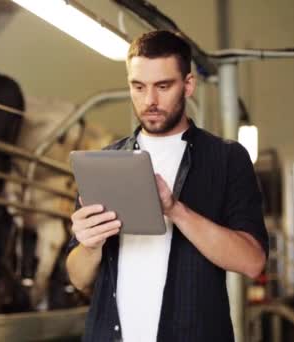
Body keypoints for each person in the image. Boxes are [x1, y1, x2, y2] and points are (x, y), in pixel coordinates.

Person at [65, 30, 269, 342]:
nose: (150, 101)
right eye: (138, 87)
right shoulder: (106, 161)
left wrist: (175, 210)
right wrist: (89, 244)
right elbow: (79, 278)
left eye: (163, 86)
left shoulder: (226, 158)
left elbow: (253, 262)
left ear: (188, 85)